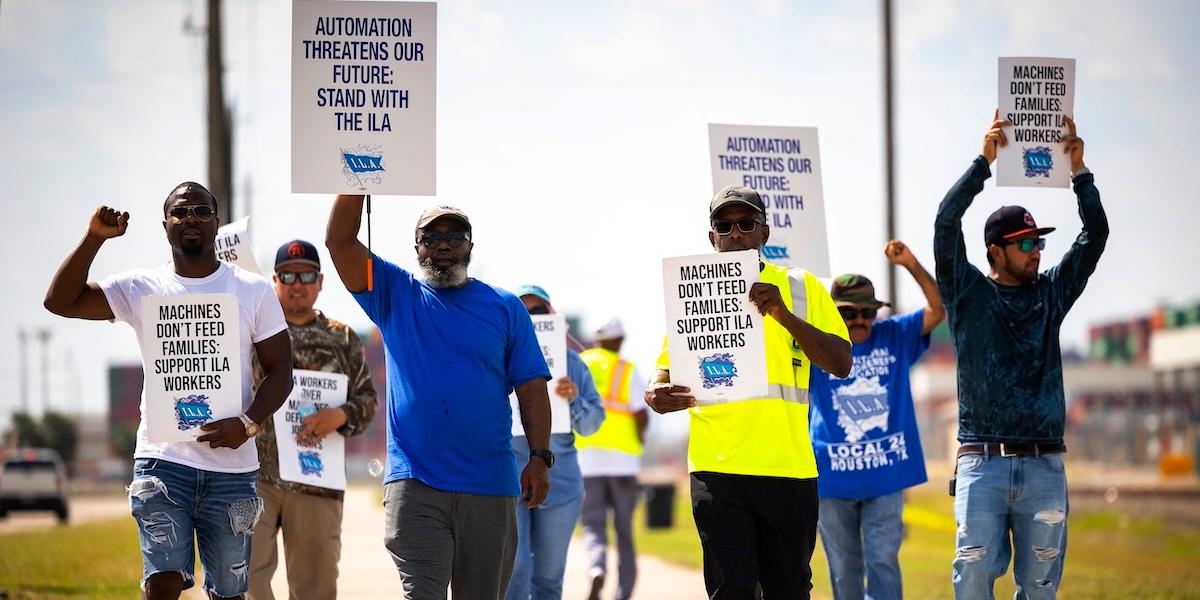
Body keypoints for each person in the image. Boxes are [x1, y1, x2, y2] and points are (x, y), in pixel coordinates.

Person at [43, 182, 293, 600]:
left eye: (200, 211)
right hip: (163, 466)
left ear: (216, 221)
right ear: (165, 226)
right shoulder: (141, 287)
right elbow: (60, 301)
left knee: (229, 593)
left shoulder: (252, 290)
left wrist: (248, 425)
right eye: (180, 213)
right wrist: (94, 239)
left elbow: (281, 370)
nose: (190, 219)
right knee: (160, 583)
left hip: (231, 470)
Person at [325, 196, 553, 599]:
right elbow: (340, 242)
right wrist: (357, 182)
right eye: (431, 237)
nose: (443, 245)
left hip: (489, 484)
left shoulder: (506, 307)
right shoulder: (395, 293)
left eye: (454, 237)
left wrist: (539, 457)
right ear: (417, 248)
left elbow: (532, 388)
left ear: (470, 246)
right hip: (415, 484)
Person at [646, 185, 852, 599]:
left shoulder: (801, 286)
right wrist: (655, 394)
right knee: (730, 590)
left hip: (787, 469)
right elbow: (663, 373)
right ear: (712, 237)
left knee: (788, 590)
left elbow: (841, 362)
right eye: (725, 225)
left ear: (764, 233)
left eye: (746, 223)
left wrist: (783, 314)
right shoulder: (692, 292)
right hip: (717, 469)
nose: (735, 233)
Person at [934, 114, 1107, 598]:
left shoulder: (1050, 294)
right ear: (996, 251)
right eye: (1026, 243)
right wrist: (982, 163)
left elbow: (1094, 237)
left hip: (1044, 467)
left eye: (1040, 243)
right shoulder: (966, 295)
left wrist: (1080, 173)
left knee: (1040, 588)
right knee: (970, 580)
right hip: (981, 463)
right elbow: (946, 223)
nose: (1037, 252)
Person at [808, 241, 945, 600]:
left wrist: (911, 264)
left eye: (867, 313)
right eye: (849, 313)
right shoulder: (817, 344)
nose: (860, 321)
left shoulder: (894, 335)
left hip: (886, 477)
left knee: (883, 561)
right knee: (844, 570)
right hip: (831, 481)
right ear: (833, 314)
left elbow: (937, 308)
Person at [247, 240, 378, 600]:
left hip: (316, 480)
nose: (297, 283)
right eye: (287, 276)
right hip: (254, 476)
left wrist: (341, 415)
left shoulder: (342, 337)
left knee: (315, 589)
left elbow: (368, 399)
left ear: (320, 281)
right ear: (274, 280)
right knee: (242, 581)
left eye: (306, 275)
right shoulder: (251, 331)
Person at [505, 285, 605, 600]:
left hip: (560, 486)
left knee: (548, 579)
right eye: (524, 313)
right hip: (509, 482)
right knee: (515, 572)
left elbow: (592, 425)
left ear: (552, 316)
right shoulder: (497, 356)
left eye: (539, 312)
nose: (532, 319)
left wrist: (573, 400)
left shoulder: (573, 364)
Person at [576, 318, 649, 600]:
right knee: (624, 531)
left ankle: (597, 570)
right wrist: (640, 439)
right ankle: (623, 593)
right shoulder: (626, 369)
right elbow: (641, 414)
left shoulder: (580, 364)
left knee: (593, 525)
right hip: (624, 463)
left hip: (587, 462)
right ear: (618, 340)